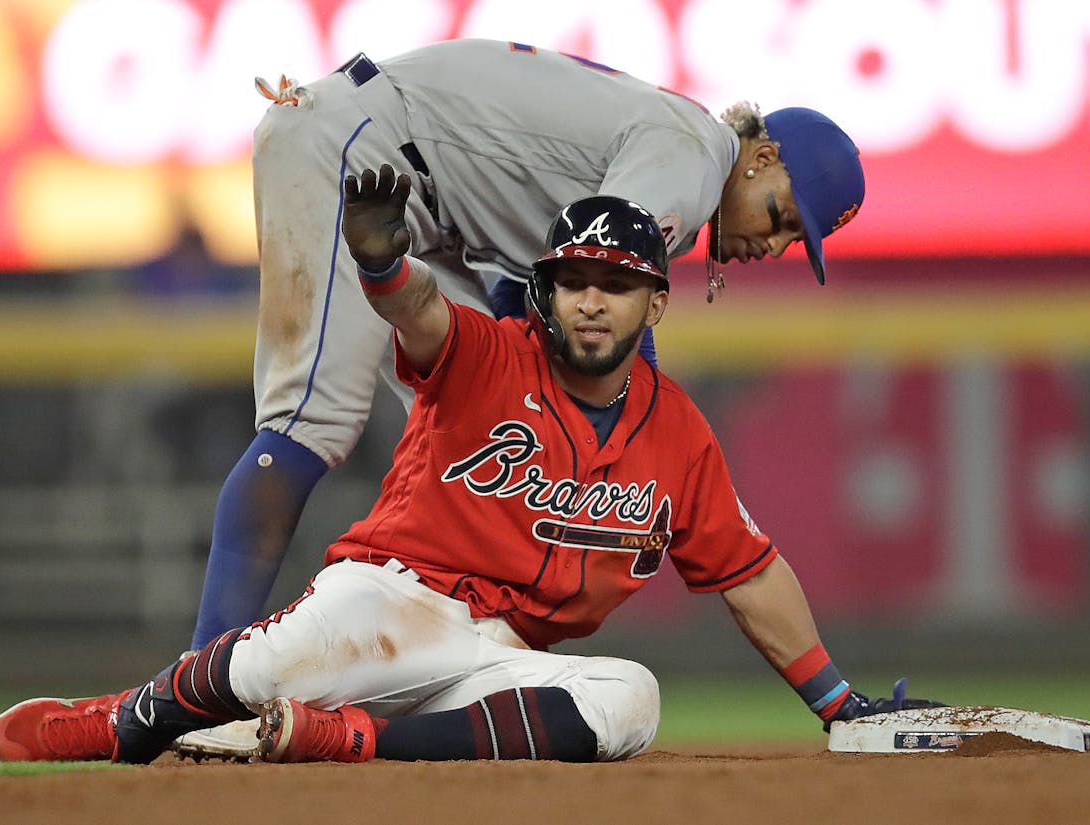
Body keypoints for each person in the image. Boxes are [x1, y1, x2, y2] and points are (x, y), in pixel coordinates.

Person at [0, 178, 931, 766]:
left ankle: (352, 741)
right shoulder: (491, 353)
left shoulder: (678, 433)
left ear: (655, 300)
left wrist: (839, 703)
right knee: (277, 658)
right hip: (395, 605)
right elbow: (422, 315)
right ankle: (124, 721)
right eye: (573, 281)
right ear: (548, 290)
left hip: (500, 658)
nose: (592, 303)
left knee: (630, 699)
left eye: (618, 285)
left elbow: (748, 569)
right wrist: (386, 262)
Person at [190, 38, 868, 674]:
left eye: (794, 240)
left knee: (473, 419)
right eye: (782, 215)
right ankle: (198, 678)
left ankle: (427, 650)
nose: (774, 243)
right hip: (358, 156)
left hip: (420, 201)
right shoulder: (695, 155)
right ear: (761, 157)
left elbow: (547, 290)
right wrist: (642, 431)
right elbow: (601, 274)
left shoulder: (684, 159)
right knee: (316, 420)